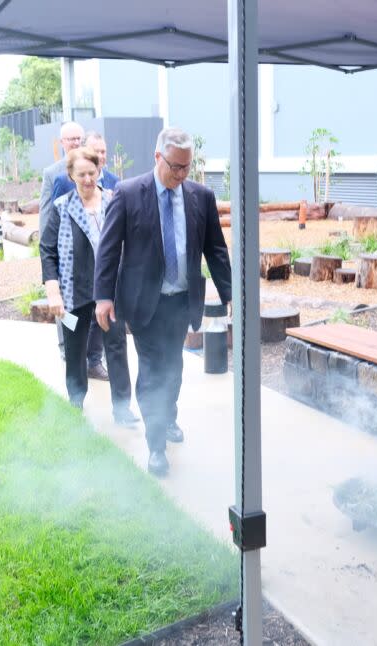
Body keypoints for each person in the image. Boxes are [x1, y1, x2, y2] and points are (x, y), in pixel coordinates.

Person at [94, 127, 233, 477]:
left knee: (174, 368)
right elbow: (108, 251)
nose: (181, 175)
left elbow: (215, 250)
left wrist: (232, 295)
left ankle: (169, 417)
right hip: (144, 304)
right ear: (158, 158)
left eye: (187, 167)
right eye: (175, 167)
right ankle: (156, 446)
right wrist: (102, 297)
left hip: (181, 302)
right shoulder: (127, 195)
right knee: (153, 372)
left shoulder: (201, 197)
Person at [39, 146, 138, 426]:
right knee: (74, 349)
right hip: (73, 294)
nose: (87, 179)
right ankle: (75, 405)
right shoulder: (61, 208)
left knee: (116, 347)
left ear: (99, 171)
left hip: (110, 291)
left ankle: (122, 408)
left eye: (91, 173)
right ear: (70, 175)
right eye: (80, 174)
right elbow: (47, 250)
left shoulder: (113, 201)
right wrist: (53, 291)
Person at [40, 121, 108, 381]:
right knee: (73, 343)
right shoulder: (57, 186)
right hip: (73, 285)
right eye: (70, 139)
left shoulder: (110, 195)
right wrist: (52, 285)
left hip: (104, 285)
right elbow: (48, 241)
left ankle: (97, 366)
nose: (87, 179)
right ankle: (75, 398)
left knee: (107, 340)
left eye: (79, 137)